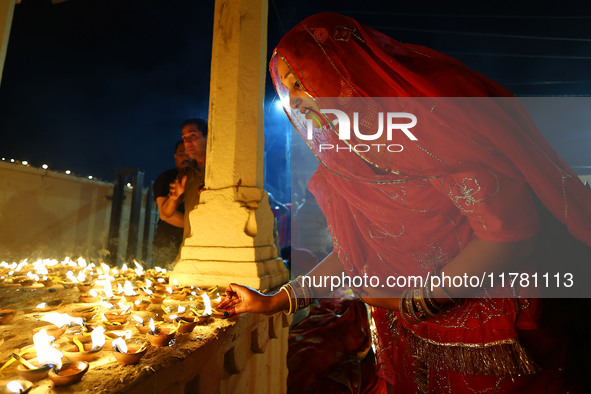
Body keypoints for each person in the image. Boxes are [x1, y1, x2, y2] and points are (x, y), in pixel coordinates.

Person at [217, 13, 591, 392]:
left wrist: (410, 302)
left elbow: (512, 235)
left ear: (342, 69)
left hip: (490, 333)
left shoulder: (431, 122)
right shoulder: (342, 159)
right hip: (407, 335)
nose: (295, 102)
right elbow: (356, 253)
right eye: (288, 89)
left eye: (303, 81)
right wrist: (275, 301)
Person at [165, 118, 208, 242]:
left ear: (207, 137)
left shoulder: (219, 168)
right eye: (184, 138)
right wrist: (173, 198)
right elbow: (166, 213)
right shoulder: (186, 173)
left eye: (193, 135)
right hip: (191, 242)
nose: (187, 142)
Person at [152, 140, 190, 268]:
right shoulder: (166, 178)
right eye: (181, 153)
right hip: (167, 243)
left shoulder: (202, 178)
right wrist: (197, 227)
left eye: (188, 153)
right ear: (175, 156)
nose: (186, 156)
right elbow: (165, 215)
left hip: (191, 243)